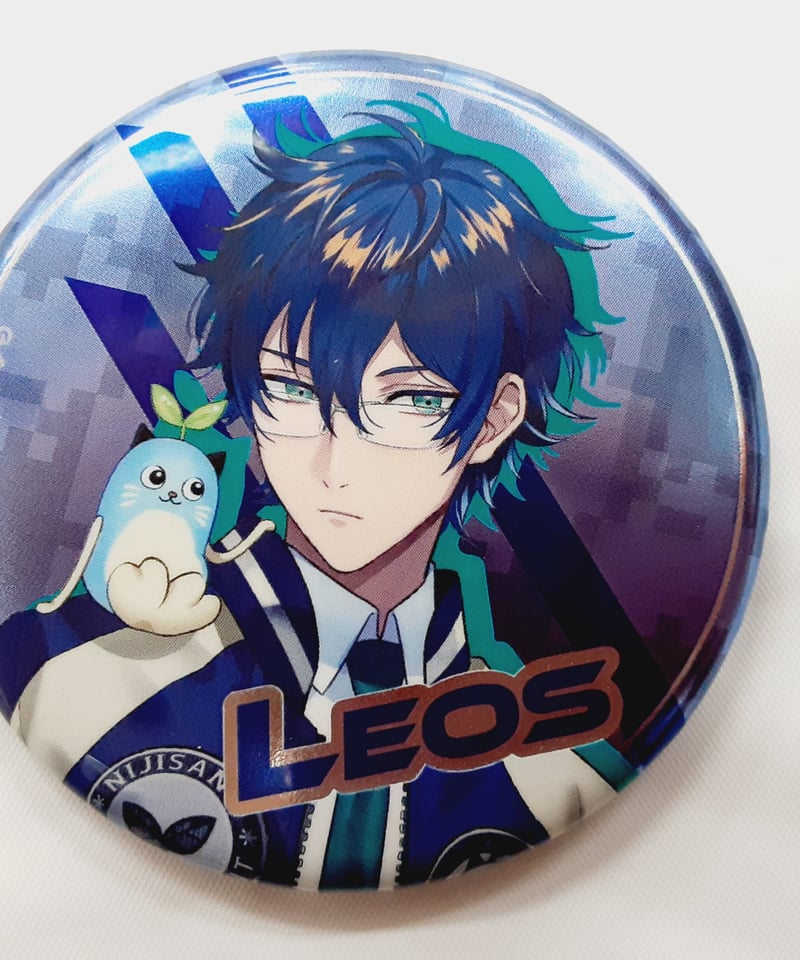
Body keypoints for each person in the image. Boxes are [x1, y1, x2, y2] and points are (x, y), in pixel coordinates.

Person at [0, 101, 644, 887]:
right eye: (290, 388)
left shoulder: (553, 778)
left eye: (410, 399)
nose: (336, 464)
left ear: (493, 420)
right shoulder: (75, 678)